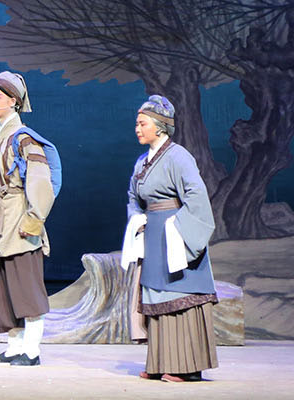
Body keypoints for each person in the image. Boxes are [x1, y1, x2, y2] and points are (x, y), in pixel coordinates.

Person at [122, 95, 219, 382]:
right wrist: (137, 218)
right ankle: (160, 362)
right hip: (153, 236)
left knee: (180, 296)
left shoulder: (178, 156)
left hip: (175, 234)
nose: (137, 129)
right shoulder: (142, 162)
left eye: (142, 124)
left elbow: (196, 195)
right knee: (156, 296)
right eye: (137, 124)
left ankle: (187, 367)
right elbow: (133, 197)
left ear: (160, 126)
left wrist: (180, 230)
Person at [0, 71, 56, 367]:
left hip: (20, 214)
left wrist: (34, 219)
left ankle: (32, 350)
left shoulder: (24, 138)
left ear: (13, 101)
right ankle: (14, 346)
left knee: (26, 284)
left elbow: (40, 181)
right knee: (4, 285)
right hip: (1, 215)